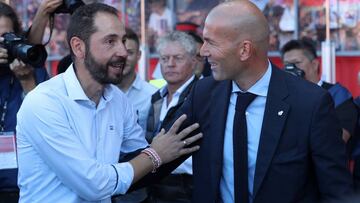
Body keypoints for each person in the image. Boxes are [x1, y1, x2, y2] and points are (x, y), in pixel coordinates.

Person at [168, 1, 353, 202]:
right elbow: (164, 154)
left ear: (244, 50)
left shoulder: (310, 103)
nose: (203, 51)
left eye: (211, 42)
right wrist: (131, 171)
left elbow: (337, 191)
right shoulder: (204, 94)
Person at [15, 3, 202, 203]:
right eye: (110, 41)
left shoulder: (118, 100)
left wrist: (163, 152)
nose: (122, 51)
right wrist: (156, 154)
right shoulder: (44, 102)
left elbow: (139, 162)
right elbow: (93, 185)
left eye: (122, 40)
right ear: (79, 47)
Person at [0, 1, 62, 202]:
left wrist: (27, 81)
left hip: (28, 188)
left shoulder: (29, 68)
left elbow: (50, 124)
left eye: (6, 37)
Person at [146, 31, 198, 203]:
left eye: (178, 58)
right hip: (155, 184)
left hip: (188, 187)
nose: (170, 64)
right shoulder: (156, 97)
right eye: (164, 58)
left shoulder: (202, 96)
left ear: (193, 61)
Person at [281, 39, 358, 144]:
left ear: (314, 64)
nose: (291, 68)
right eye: (286, 64)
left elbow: (339, 139)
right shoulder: (281, 96)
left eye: (296, 63)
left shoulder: (337, 94)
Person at [113, 27, 157, 203]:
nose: (122, 56)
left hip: (138, 188)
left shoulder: (153, 94)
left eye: (129, 52)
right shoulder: (100, 94)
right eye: (118, 51)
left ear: (139, 55)